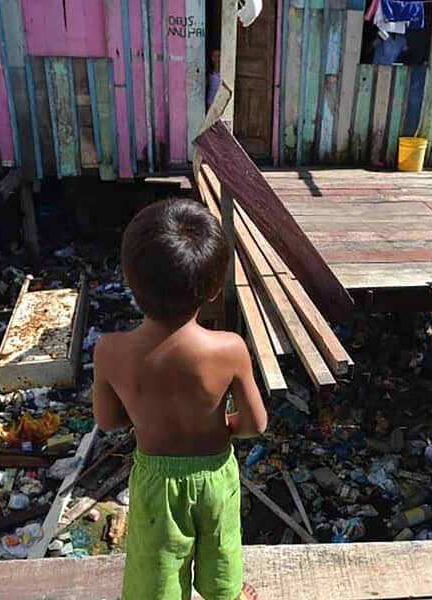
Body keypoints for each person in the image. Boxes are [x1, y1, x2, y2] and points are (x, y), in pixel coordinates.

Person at [93, 198, 268, 600]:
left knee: (156, 567)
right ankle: (227, 593)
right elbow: (255, 424)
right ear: (211, 288)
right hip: (215, 476)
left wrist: (144, 413)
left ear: (130, 280)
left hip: (156, 481)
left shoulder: (111, 350)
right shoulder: (229, 349)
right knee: (221, 548)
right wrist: (220, 426)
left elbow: (108, 420)